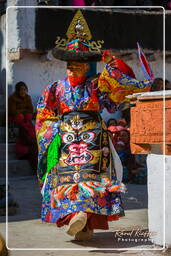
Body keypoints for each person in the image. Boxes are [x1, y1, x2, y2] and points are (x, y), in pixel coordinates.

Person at [36, 9, 153, 241]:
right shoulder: (54, 88)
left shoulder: (97, 85)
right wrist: (52, 132)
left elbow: (119, 90)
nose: (73, 69)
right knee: (65, 178)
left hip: (93, 141)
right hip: (66, 140)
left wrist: (111, 62)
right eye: (70, 65)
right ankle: (76, 220)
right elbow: (44, 114)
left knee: (91, 179)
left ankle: (85, 223)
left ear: (87, 66)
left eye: (78, 65)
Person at [8, 81, 38, 172]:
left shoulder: (27, 98)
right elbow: (13, 111)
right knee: (20, 117)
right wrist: (23, 111)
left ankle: (27, 127)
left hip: (25, 116)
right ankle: (24, 128)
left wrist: (25, 112)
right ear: (17, 91)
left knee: (28, 116)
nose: (23, 92)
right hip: (14, 117)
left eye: (25, 90)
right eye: (21, 90)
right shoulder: (12, 98)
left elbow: (30, 109)